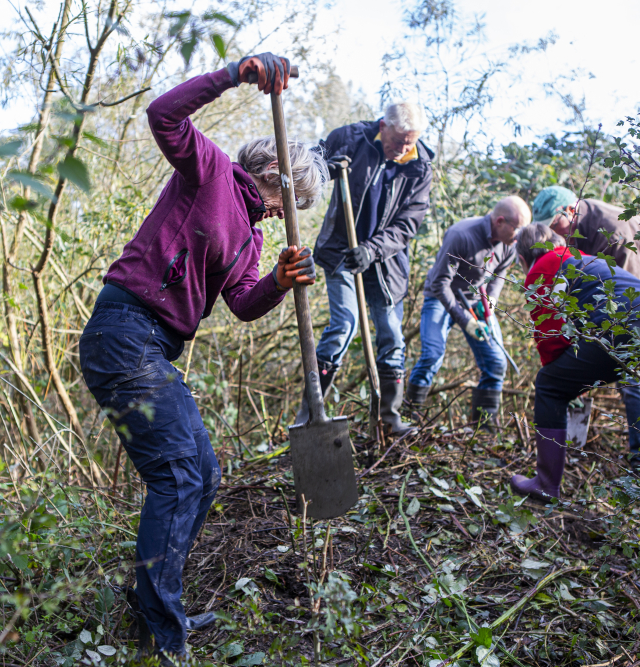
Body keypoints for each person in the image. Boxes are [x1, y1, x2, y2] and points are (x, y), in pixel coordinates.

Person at [79, 54, 326, 664]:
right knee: (181, 473)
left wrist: (280, 279)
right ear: (271, 173)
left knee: (204, 473)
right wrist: (235, 75)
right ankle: (162, 635)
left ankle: (154, 605)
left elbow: (242, 303)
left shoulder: (253, 234)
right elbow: (162, 114)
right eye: (283, 199)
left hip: (155, 347)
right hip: (123, 331)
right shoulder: (209, 171)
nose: (277, 212)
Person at [509, 224, 640, 500]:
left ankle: (546, 484)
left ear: (522, 259)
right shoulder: (586, 258)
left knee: (549, 385)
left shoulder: (542, 268)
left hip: (631, 327)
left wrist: (568, 385)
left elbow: (552, 344)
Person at [299, 102, 435, 436]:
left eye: (410, 141)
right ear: (382, 125)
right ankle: (309, 416)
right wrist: (327, 168)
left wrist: (372, 250)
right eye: (399, 139)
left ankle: (387, 420)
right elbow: (306, 170)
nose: (403, 148)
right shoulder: (350, 138)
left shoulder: (419, 166)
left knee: (391, 335)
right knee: (344, 325)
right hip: (341, 252)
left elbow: (408, 224)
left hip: (386, 263)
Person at [530, 186, 640, 467]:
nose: (556, 234)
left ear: (570, 210)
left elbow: (628, 298)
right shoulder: (571, 234)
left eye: (556, 226)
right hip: (635, 299)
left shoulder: (611, 231)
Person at [406, 196, 532, 428]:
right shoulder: (461, 235)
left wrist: (491, 301)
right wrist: (465, 321)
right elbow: (439, 283)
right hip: (442, 296)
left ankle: (484, 430)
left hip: (476, 299)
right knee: (432, 355)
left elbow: (498, 278)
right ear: (500, 222)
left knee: (496, 362)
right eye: (517, 228)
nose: (520, 234)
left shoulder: (510, 244)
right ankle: (408, 419)